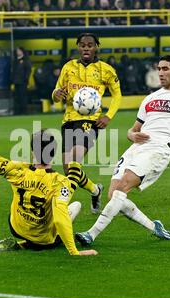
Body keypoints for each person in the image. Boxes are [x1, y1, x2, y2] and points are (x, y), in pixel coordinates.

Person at [75, 55, 170, 246]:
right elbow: (132, 130)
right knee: (113, 194)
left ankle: (91, 234)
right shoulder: (150, 98)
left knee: (123, 186)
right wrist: (132, 135)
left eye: (165, 69)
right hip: (137, 147)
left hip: (160, 149)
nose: (160, 73)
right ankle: (153, 227)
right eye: (159, 69)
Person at [0, 106, 98, 256]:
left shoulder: (17, 170)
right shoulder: (59, 182)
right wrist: (74, 251)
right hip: (44, 239)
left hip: (17, 228)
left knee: (25, 203)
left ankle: (24, 241)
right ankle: (26, 245)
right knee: (75, 205)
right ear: (53, 154)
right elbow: (59, 220)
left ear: (32, 150)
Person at [52, 33, 122, 214]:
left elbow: (117, 95)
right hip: (69, 120)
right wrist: (56, 95)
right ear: (78, 47)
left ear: (96, 47)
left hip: (91, 122)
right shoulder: (68, 67)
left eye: (90, 45)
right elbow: (56, 91)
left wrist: (108, 116)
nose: (86, 48)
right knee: (69, 169)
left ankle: (62, 204)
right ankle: (95, 190)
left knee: (76, 158)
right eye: (83, 45)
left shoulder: (105, 70)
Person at [11, 47, 32, 115]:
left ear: (22, 51)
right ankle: (17, 111)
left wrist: (25, 79)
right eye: (17, 51)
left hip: (23, 82)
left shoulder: (26, 60)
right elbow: (13, 71)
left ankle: (24, 111)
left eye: (19, 50)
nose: (18, 52)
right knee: (17, 97)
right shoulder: (15, 61)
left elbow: (28, 70)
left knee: (23, 96)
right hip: (16, 81)